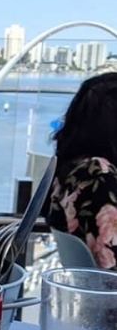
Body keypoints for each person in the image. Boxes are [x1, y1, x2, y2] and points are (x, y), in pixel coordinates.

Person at [45, 72, 117, 269]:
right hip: (105, 294)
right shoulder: (99, 175)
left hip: (89, 291)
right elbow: (110, 262)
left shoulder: (69, 172)